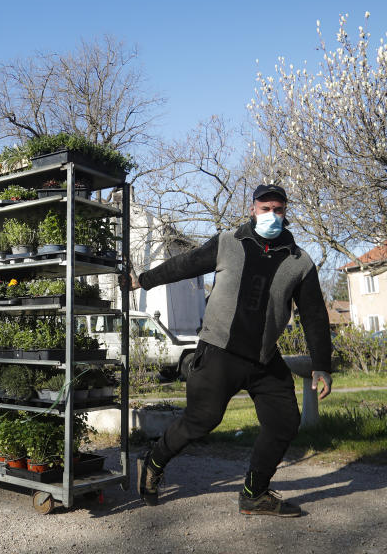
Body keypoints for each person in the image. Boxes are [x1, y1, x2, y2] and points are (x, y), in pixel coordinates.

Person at [123, 184, 332, 516]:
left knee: (284, 421)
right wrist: (142, 280)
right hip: (219, 351)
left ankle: (254, 493)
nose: (272, 215)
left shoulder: (300, 262)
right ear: (252, 209)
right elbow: (184, 265)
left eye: (278, 209)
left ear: (286, 213)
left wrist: (322, 364)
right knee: (200, 421)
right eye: (266, 209)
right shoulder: (227, 243)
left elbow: (315, 315)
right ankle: (153, 461)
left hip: (264, 357)